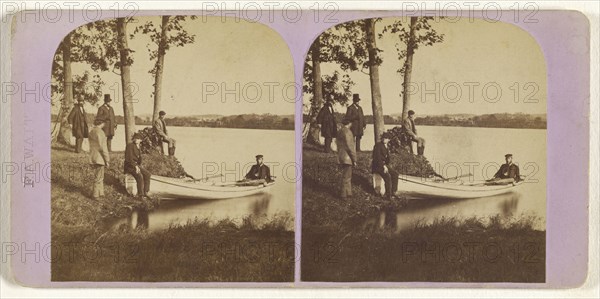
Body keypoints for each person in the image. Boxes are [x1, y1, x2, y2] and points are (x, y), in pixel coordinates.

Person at [372, 132, 399, 200]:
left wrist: (387, 166)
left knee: (395, 174)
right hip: (377, 166)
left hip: (384, 165)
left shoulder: (386, 146)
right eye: (383, 138)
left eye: (386, 138)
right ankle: (388, 195)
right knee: (387, 177)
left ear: (389, 139)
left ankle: (393, 192)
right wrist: (384, 166)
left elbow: (387, 158)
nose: (384, 139)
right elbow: (377, 158)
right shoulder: (378, 145)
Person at [124, 133, 151, 198]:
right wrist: (136, 167)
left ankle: (146, 192)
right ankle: (140, 195)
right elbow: (129, 159)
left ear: (141, 140)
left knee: (147, 174)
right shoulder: (130, 146)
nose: (136, 140)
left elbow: (139, 159)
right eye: (135, 138)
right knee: (139, 176)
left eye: (138, 139)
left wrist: (139, 166)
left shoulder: (138, 147)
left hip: (136, 165)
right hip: (129, 166)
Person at [88, 118, 109, 200]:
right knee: (99, 176)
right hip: (100, 157)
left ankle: (101, 192)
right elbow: (103, 147)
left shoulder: (91, 131)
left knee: (100, 175)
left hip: (93, 155)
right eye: (104, 123)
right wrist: (107, 160)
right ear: (102, 123)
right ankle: (95, 195)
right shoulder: (101, 132)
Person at [336, 119, 357, 200]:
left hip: (341, 155)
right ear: (349, 123)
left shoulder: (340, 131)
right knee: (347, 176)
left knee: (348, 175)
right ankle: (343, 194)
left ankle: (349, 192)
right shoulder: (348, 132)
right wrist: (354, 159)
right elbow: (350, 147)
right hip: (347, 157)